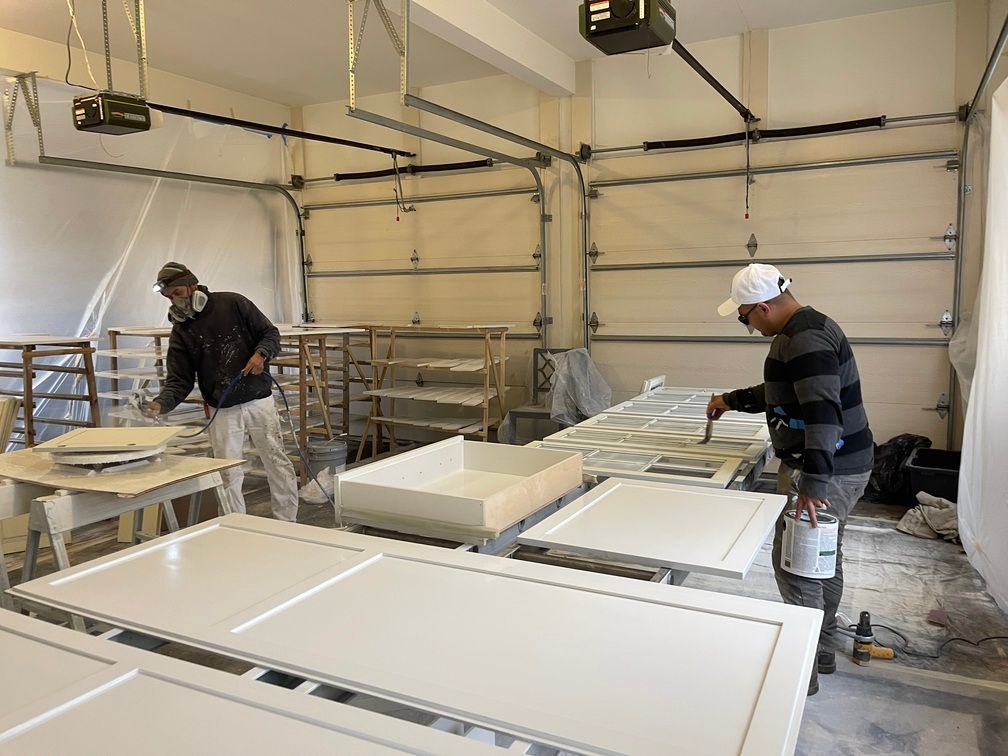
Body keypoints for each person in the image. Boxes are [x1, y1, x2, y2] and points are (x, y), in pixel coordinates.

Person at [706, 263, 873, 696]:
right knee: (822, 557)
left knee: (799, 566)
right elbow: (783, 392)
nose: (747, 326)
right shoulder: (803, 330)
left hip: (825, 471)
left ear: (762, 307)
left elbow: (822, 414)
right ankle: (820, 649)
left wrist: (814, 485)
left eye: (745, 318)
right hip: (839, 465)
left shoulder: (804, 339)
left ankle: (802, 675)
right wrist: (730, 400)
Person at [143, 262, 298, 522]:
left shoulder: (233, 304)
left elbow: (269, 333)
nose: (175, 301)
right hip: (221, 408)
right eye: (169, 297)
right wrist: (161, 404)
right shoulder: (182, 331)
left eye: (177, 293)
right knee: (226, 471)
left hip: (258, 400)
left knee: (276, 461)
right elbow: (179, 380)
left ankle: (287, 523)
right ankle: (234, 525)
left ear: (193, 285)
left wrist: (262, 354)